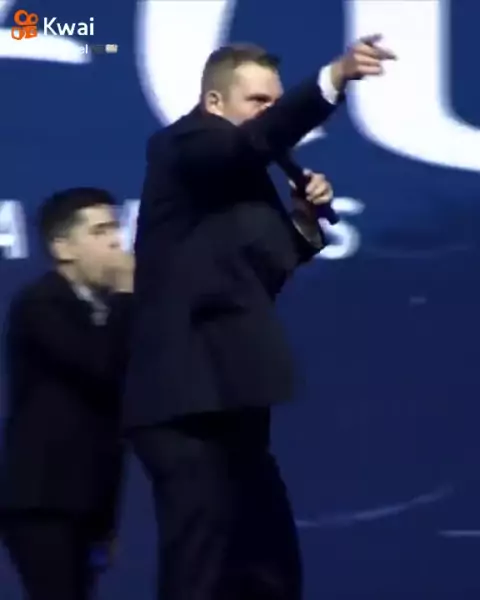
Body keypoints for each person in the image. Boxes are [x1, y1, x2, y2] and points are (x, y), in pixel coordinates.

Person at [123, 37, 396, 599]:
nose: (268, 113)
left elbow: (262, 274)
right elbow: (247, 145)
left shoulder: (248, 180)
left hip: (234, 396)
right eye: (257, 101)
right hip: (185, 404)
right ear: (215, 102)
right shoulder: (183, 143)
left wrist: (303, 221)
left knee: (269, 566)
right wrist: (333, 78)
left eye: (274, 100)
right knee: (199, 567)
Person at [0, 188, 134, 600]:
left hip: (91, 500)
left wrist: (106, 518)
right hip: (45, 502)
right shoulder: (40, 304)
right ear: (63, 248)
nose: (115, 242)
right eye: (99, 231)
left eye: (115, 229)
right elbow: (100, 365)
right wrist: (127, 292)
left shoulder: (106, 308)